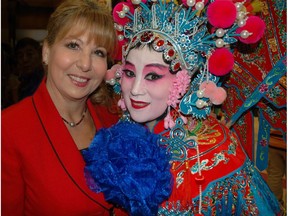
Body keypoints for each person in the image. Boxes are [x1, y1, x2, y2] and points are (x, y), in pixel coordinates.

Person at [83, 0, 282, 215]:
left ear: (184, 82)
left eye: (153, 76)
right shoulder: (116, 128)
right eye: (130, 73)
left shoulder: (214, 155)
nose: (135, 90)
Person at [1, 0, 126, 215]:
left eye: (98, 52)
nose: (85, 64)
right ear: (47, 52)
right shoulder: (9, 129)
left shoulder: (113, 116)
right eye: (73, 45)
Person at [14, 37, 45, 102]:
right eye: (20, 56)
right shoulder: (22, 80)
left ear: (40, 55)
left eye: (30, 54)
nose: (25, 59)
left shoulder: (45, 80)